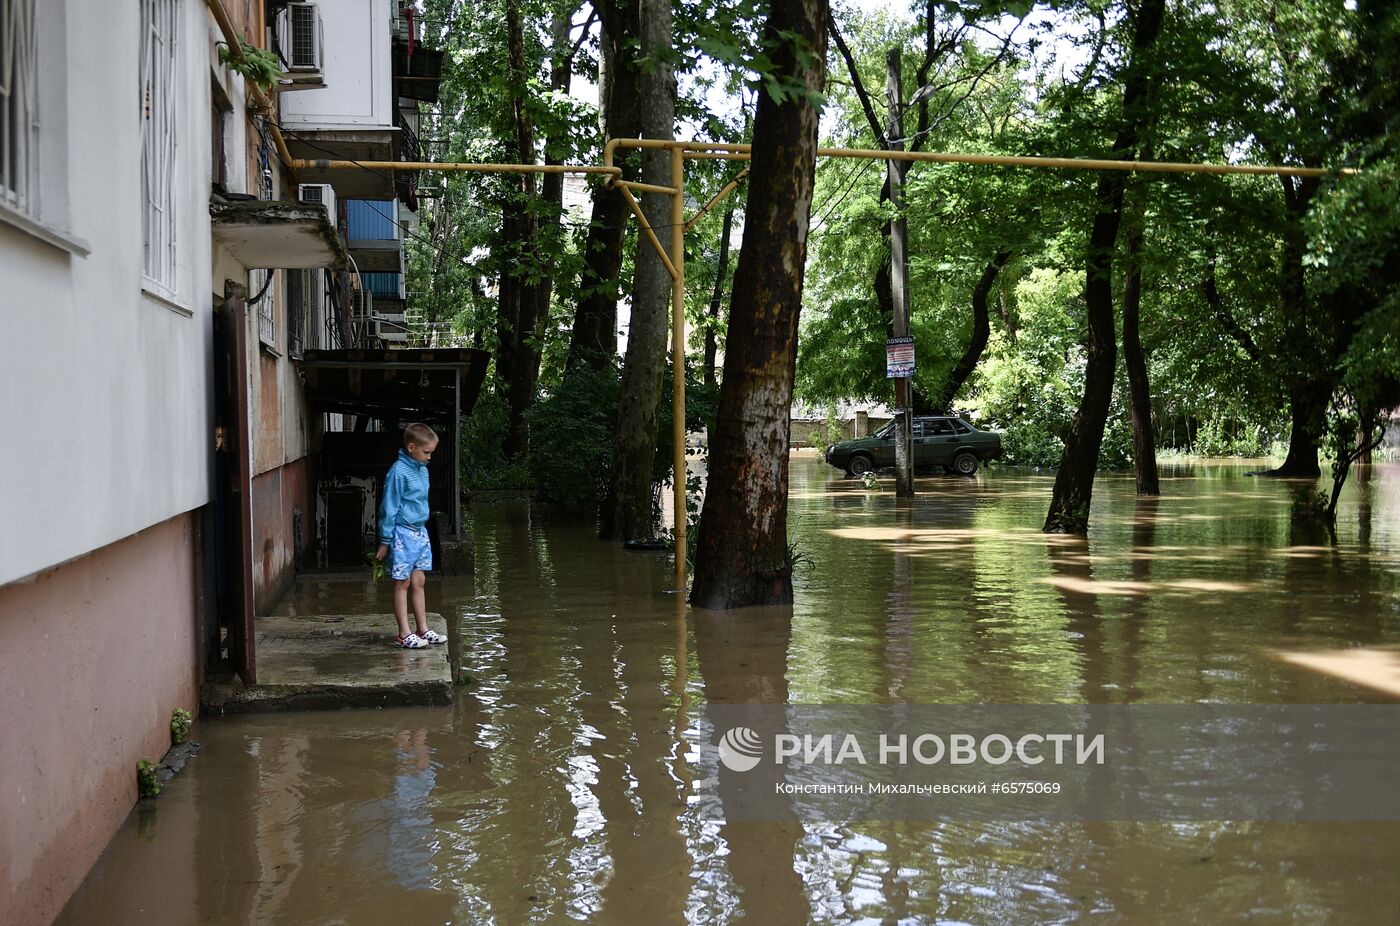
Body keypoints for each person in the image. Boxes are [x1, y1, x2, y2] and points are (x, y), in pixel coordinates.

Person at [376, 422, 446, 649]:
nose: (429, 458)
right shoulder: (398, 472)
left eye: (431, 453)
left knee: (419, 580)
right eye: (426, 452)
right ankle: (403, 633)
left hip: (420, 532)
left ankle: (422, 629)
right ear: (411, 447)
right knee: (403, 582)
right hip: (402, 534)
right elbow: (389, 507)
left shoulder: (422, 470)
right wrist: (385, 541)